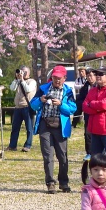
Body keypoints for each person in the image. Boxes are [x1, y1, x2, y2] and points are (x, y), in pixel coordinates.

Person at [30, 65, 77, 194]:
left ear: (64, 78)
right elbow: (33, 105)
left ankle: (64, 182)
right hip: (45, 124)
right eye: (54, 77)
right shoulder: (43, 89)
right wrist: (40, 100)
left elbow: (73, 109)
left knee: (62, 156)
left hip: (60, 125)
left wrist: (61, 104)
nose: (56, 80)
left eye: (59, 78)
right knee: (48, 155)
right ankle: (50, 183)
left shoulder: (68, 91)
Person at [84, 66, 106, 157]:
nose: (98, 76)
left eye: (101, 74)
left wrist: (91, 104)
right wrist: (98, 107)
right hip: (95, 130)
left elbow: (104, 104)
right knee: (95, 160)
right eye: (96, 74)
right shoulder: (92, 90)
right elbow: (84, 107)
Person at [8, 67, 38, 152]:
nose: (22, 73)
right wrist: (16, 79)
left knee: (29, 128)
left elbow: (27, 89)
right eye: (22, 72)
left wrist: (22, 80)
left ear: (29, 73)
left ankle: (27, 145)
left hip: (27, 107)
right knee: (15, 128)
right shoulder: (18, 81)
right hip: (18, 107)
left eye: (25, 72)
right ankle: (12, 146)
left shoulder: (32, 81)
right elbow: (12, 88)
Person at [76, 68, 97, 156]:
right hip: (88, 114)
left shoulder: (99, 86)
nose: (90, 78)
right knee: (87, 133)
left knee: (97, 134)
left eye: (91, 75)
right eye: (88, 76)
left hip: (97, 114)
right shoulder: (84, 87)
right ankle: (89, 153)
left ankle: (99, 152)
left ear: (95, 76)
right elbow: (80, 100)